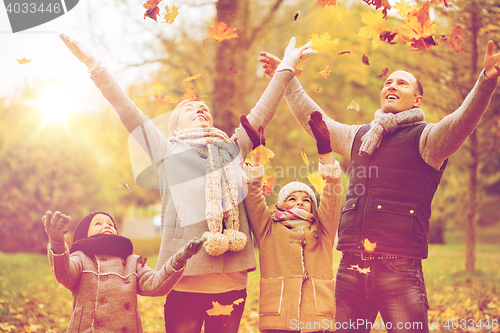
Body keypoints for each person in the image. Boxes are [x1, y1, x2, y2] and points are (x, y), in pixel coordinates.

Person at [59, 34, 315, 333]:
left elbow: (263, 112)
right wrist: (95, 66)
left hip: (231, 282)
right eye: (189, 108)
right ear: (176, 126)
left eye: (204, 107)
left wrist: (286, 65)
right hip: (183, 281)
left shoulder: (233, 149)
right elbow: (128, 111)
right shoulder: (167, 151)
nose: (200, 109)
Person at [259, 40, 500, 332]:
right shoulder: (360, 136)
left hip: (399, 269)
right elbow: (316, 122)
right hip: (351, 267)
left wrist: (485, 82)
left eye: (402, 83)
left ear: (417, 100)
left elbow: (461, 122)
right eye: (388, 82)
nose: (392, 86)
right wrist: (285, 77)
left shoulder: (428, 140)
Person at [241, 112, 342, 333]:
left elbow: (332, 195)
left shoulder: (322, 229)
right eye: (292, 199)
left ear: (313, 207)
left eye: (306, 199)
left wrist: (325, 150)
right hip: (278, 317)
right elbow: (253, 196)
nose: (300, 202)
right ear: (280, 205)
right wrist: (258, 155)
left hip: (316, 317)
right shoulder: (268, 229)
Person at [42, 209, 204, 333]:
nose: (106, 225)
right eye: (97, 223)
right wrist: (57, 242)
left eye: (110, 224)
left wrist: (180, 259)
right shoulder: (81, 258)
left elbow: (156, 285)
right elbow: (65, 275)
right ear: (84, 234)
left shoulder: (131, 261)